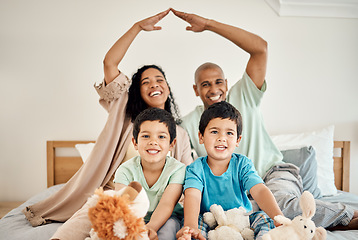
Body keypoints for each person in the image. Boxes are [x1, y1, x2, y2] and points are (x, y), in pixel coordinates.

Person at [173, 8, 358, 231]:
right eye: (205, 84)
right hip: (238, 192)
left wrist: (209, 24)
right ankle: (336, 223)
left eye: (218, 82)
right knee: (241, 216)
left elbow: (260, 49)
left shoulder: (244, 95)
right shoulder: (188, 123)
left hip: (272, 173)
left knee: (276, 203)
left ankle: (350, 213)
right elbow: (177, 155)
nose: (214, 89)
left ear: (226, 83)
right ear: (195, 89)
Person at [22, 9, 193, 239]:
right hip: (118, 193)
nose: (154, 84)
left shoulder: (179, 135)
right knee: (90, 212)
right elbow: (109, 63)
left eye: (159, 80)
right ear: (137, 91)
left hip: (162, 201)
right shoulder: (124, 114)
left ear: (167, 88)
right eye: (146, 82)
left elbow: (185, 177)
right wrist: (137, 27)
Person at [176, 102, 283, 240]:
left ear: (238, 140)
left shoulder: (242, 164)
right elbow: (193, 196)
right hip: (209, 219)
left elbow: (260, 190)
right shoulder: (196, 168)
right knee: (193, 224)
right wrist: (191, 227)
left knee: (264, 218)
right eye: (214, 132)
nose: (222, 138)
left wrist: (278, 217)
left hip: (242, 219)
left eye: (229, 133)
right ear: (201, 137)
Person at [115, 107, 186, 240]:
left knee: (169, 227)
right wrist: (137, 228)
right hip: (133, 219)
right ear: (135, 143)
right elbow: (122, 206)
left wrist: (151, 227)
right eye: (146, 136)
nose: (153, 142)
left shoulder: (178, 170)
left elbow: (167, 203)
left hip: (167, 217)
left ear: (172, 144)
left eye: (161, 137)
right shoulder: (125, 170)